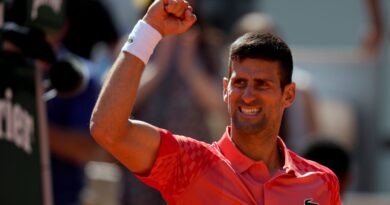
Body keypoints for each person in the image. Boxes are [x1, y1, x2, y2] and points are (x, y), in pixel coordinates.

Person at [90, 0, 341, 204]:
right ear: (225, 89)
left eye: (262, 84)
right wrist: (148, 29)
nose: (248, 95)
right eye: (239, 83)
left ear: (288, 95)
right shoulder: (189, 163)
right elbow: (108, 129)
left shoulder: (321, 182)